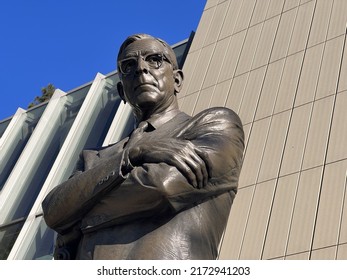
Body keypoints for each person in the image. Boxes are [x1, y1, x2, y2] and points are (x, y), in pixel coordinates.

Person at [42, 34, 244, 260]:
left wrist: (77, 216)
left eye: (155, 59)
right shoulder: (94, 157)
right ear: (122, 92)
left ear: (177, 80)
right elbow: (53, 210)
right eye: (129, 66)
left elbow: (161, 187)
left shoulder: (213, 124)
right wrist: (132, 154)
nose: (141, 69)